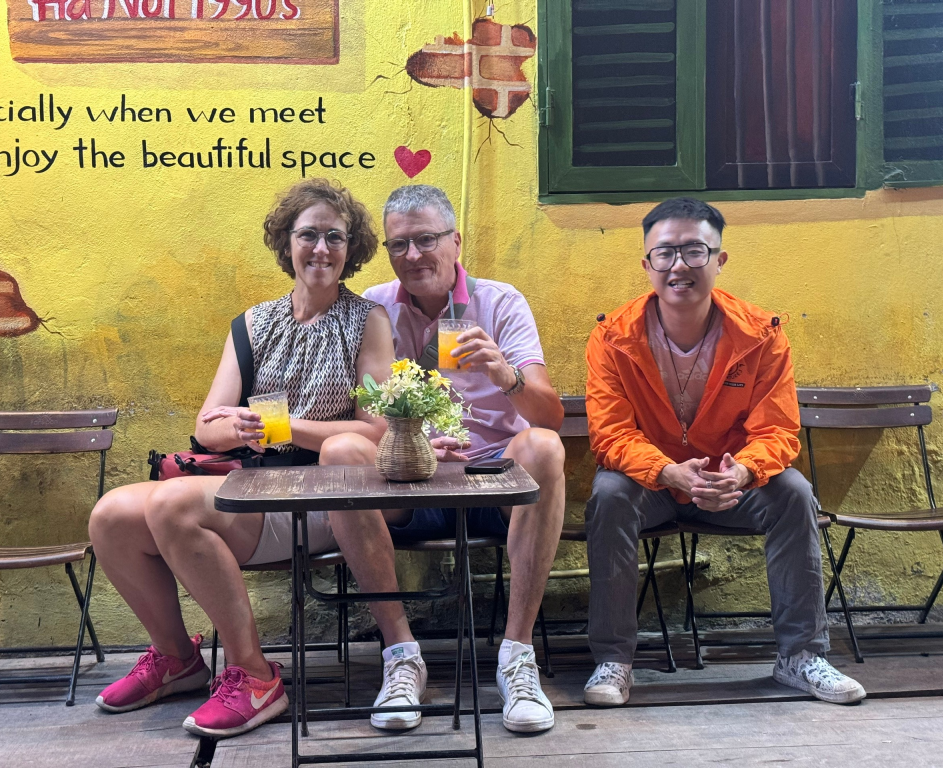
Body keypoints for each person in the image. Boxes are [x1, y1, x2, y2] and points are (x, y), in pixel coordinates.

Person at [87, 179, 394, 739]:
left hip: (323, 493)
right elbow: (206, 423)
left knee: (177, 502)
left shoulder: (367, 320)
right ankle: (177, 659)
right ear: (287, 242)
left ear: (352, 249)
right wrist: (234, 428)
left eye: (335, 236)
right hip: (250, 484)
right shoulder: (253, 322)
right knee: (110, 514)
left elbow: (376, 430)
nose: (321, 248)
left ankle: (254, 677)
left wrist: (281, 426)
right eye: (309, 235)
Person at [582, 196, 866, 707]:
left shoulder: (761, 335)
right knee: (608, 492)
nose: (679, 266)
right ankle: (614, 659)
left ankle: (800, 656)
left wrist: (744, 472)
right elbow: (610, 434)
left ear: (720, 259)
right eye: (664, 253)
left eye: (695, 251)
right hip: (656, 485)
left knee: (794, 491)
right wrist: (668, 471)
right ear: (646, 264)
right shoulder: (612, 337)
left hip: (732, 483)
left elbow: (779, 429)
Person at [319, 184, 565, 734]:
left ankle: (518, 656)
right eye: (399, 244)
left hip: (493, 478)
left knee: (544, 447)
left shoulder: (500, 302)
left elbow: (548, 415)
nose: (413, 256)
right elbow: (365, 412)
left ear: (455, 241)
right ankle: (402, 655)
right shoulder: (374, 308)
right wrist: (407, 445)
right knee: (340, 451)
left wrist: (507, 375)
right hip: (407, 479)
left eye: (426, 240)